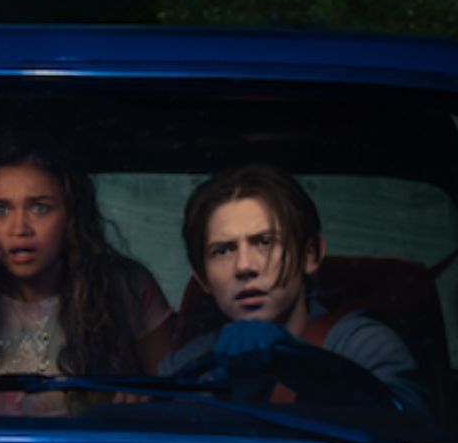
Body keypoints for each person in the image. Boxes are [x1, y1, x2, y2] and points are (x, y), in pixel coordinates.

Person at [0, 133, 175, 416]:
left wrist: (141, 399)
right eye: (0, 210)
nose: (19, 228)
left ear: (72, 216)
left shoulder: (126, 286)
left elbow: (173, 397)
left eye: (40, 208)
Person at [158, 164, 430, 418]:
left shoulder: (362, 346)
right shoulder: (184, 367)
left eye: (264, 242)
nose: (244, 266)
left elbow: (412, 436)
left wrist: (301, 364)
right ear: (203, 278)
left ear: (310, 255)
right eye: (223, 250)